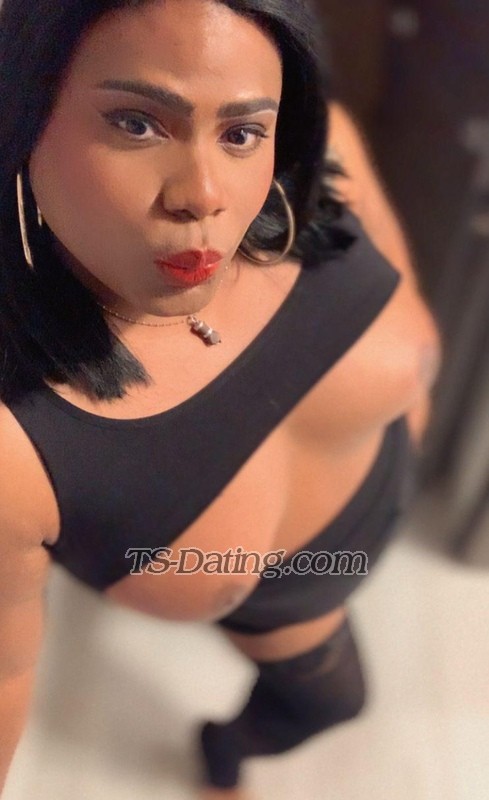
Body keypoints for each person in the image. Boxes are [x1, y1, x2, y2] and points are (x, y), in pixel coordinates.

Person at [0, 1, 441, 798]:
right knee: (329, 705)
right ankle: (222, 753)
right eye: (136, 123)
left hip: (384, 511)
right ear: (21, 114)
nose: (202, 195)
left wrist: (409, 398)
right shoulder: (15, 447)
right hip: (294, 603)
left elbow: (401, 279)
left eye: (240, 132)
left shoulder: (324, 156)